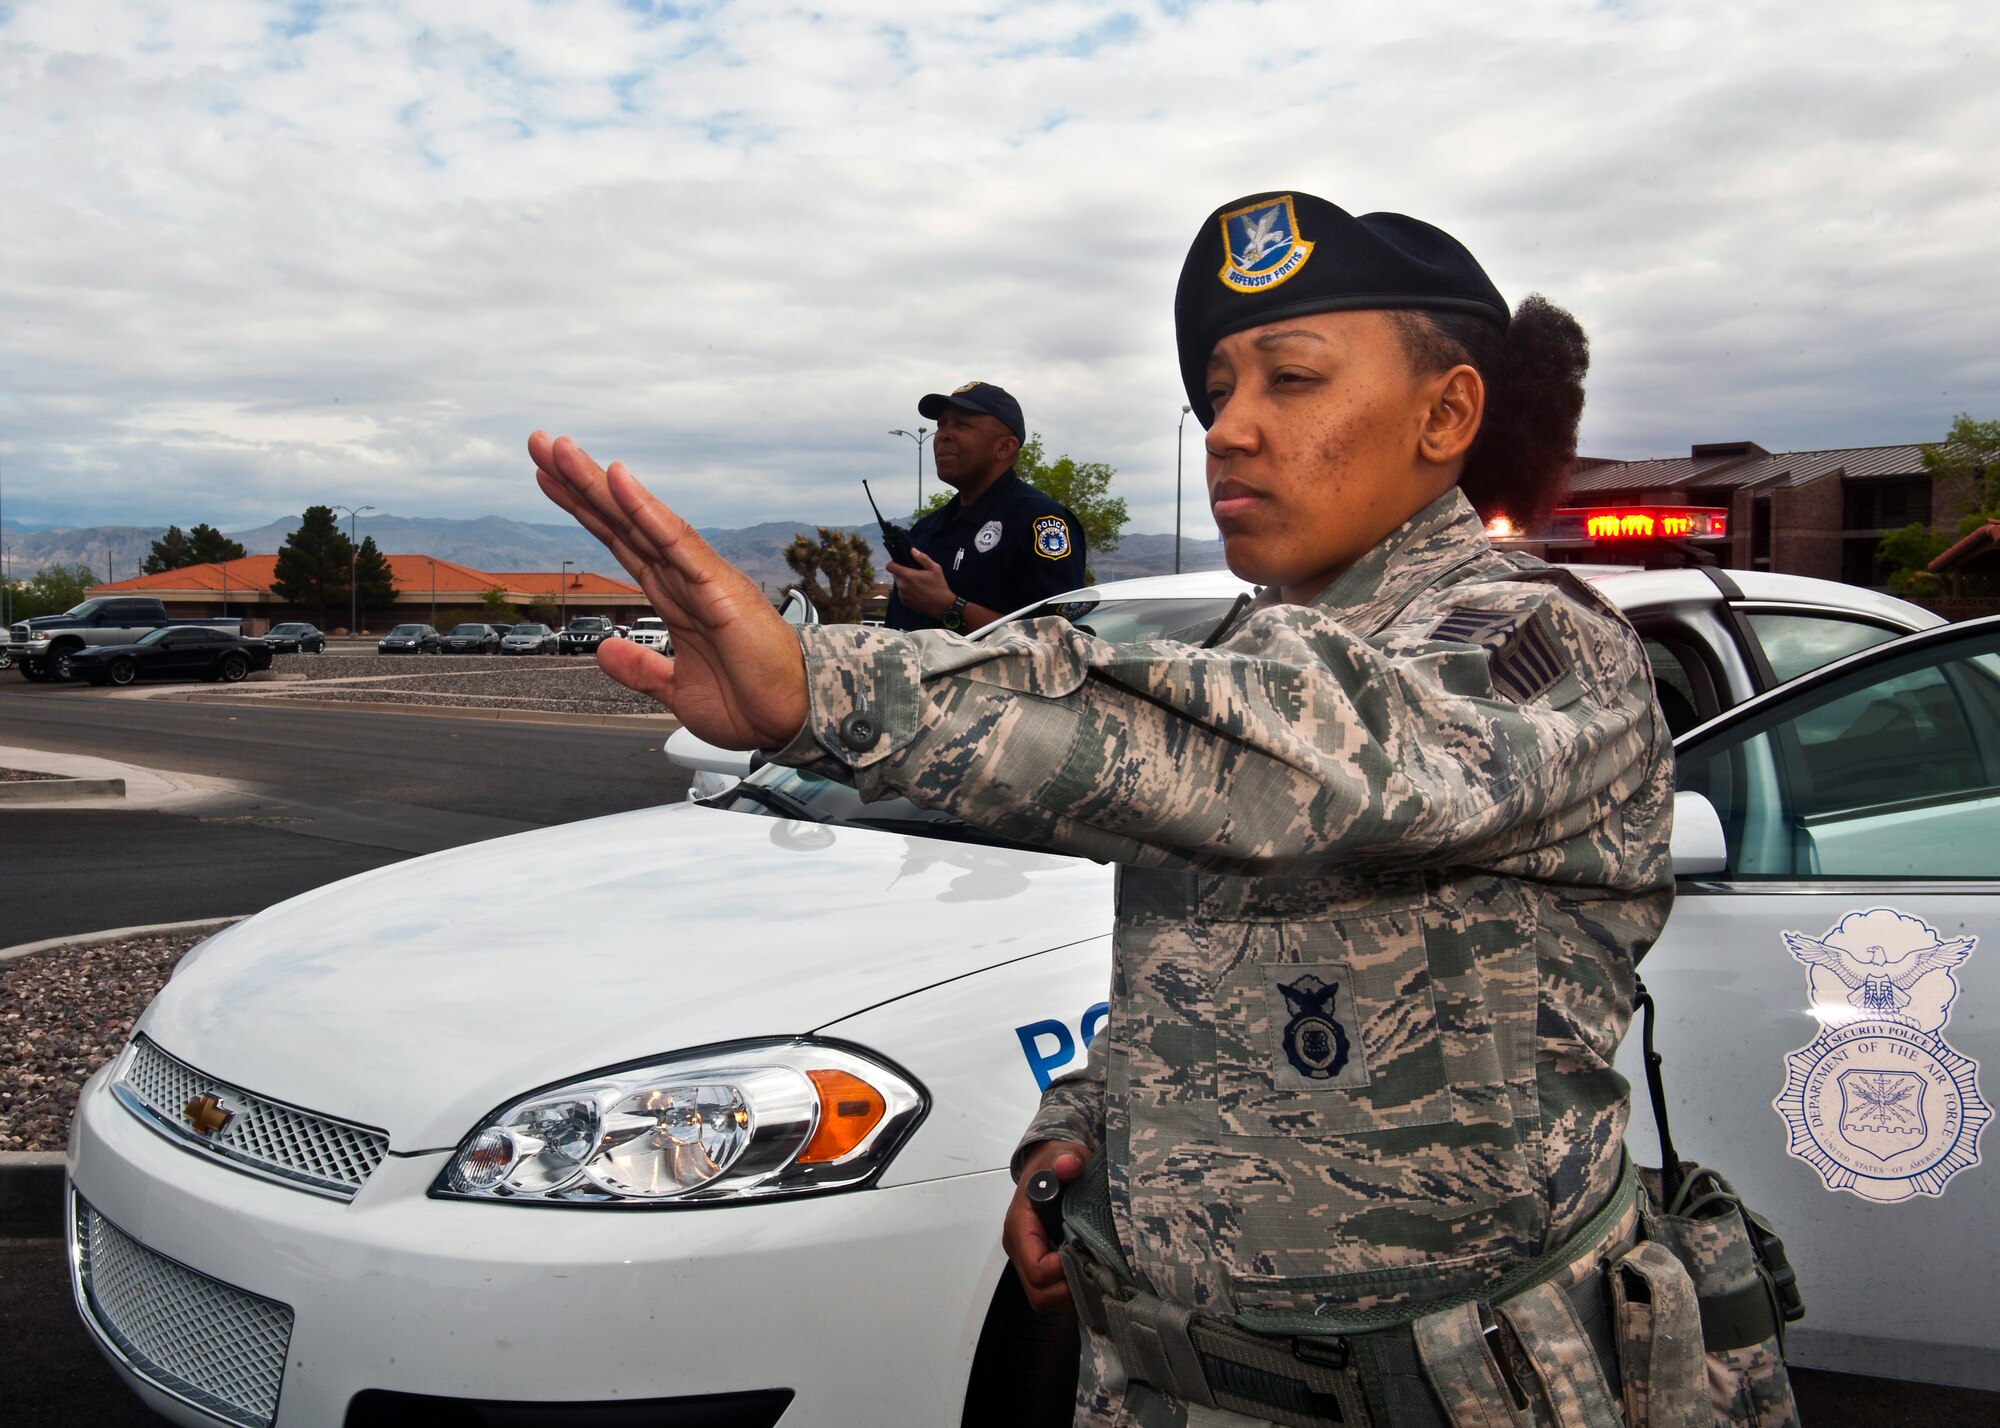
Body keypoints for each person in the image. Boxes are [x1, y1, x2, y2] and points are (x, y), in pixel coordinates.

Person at [529, 190, 1787, 1427]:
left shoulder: (1537, 646)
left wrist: (825, 684)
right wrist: (1080, 1131)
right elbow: (1205, 974)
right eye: (1215, 394)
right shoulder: (1246, 652)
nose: (1228, 430)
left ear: (1444, 412)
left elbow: (1309, 757)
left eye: (1287, 381)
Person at [883, 381, 1087, 631]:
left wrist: (949, 606)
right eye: (941, 424)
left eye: (962, 424)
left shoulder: (1039, 522)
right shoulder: (928, 528)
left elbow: (1057, 640)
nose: (944, 434)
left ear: (1004, 447)